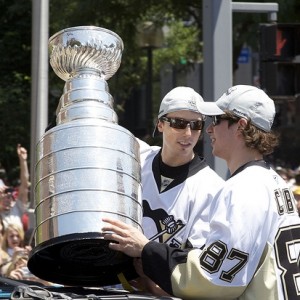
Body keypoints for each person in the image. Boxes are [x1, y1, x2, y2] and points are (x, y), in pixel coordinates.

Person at [102, 85, 300, 300]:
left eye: (216, 121)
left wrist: (146, 250)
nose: (209, 129)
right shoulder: (275, 182)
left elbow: (214, 278)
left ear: (240, 126)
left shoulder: (244, 188)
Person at [127, 86, 225, 294]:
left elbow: (196, 271)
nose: (188, 134)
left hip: (165, 292)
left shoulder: (212, 188)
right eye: (179, 124)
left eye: (196, 125)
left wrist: (149, 280)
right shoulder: (137, 158)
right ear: (160, 124)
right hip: (116, 283)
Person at [0, 144, 30, 229]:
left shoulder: (17, 207)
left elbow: (24, 184)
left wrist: (23, 161)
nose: (8, 199)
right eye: (4, 195)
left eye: (10, 196)